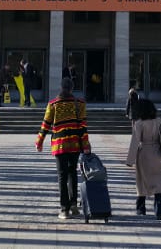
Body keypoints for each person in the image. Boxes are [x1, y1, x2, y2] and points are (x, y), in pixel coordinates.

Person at [35, 79, 91, 219]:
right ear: (72, 89)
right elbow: (83, 127)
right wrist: (86, 145)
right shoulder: (80, 104)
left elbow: (46, 124)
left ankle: (64, 209)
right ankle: (73, 204)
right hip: (75, 144)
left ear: (61, 87)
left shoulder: (53, 104)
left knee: (62, 175)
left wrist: (39, 141)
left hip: (59, 143)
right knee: (72, 172)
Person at [125, 98, 161, 220]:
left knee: (142, 182)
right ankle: (159, 211)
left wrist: (130, 160)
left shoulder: (139, 124)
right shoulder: (158, 121)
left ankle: (141, 209)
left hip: (144, 153)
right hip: (157, 153)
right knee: (159, 182)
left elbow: (135, 142)